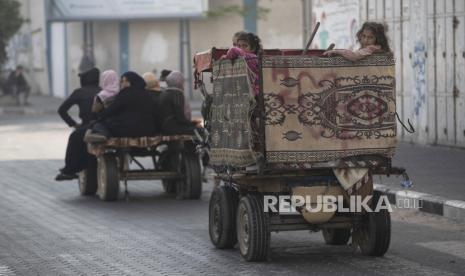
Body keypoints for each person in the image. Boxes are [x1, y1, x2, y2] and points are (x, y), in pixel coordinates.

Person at [55, 67, 100, 181]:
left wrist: (73, 124)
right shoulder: (102, 91)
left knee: (74, 137)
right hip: (104, 126)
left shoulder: (79, 92)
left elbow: (62, 110)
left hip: (87, 126)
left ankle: (69, 170)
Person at [89, 71, 157, 138]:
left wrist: (100, 117)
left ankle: (105, 137)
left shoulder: (126, 93)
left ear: (128, 82)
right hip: (148, 131)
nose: (120, 84)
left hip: (129, 131)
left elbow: (110, 111)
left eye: (122, 81)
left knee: (98, 125)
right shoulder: (147, 94)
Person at [323, 21, 391, 61]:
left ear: (378, 39)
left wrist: (336, 51)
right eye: (364, 36)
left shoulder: (372, 48)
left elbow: (354, 56)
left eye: (370, 37)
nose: (366, 40)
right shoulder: (377, 48)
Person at [221, 32, 262, 96]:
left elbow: (233, 50)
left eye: (245, 46)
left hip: (255, 92)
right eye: (239, 46)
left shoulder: (252, 57)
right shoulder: (243, 57)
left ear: (253, 48)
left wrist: (226, 57)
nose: (241, 48)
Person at [157, 71, 195, 135]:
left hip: (163, 126)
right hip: (172, 128)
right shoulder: (177, 94)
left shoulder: (164, 93)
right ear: (179, 82)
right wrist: (192, 124)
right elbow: (180, 117)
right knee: (200, 131)